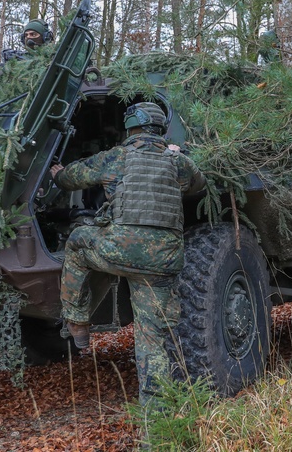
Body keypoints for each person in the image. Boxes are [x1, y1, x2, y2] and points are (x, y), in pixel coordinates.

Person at [50, 101, 205, 407]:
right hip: (162, 262)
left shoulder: (116, 157)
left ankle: (78, 321)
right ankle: (157, 419)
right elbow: (199, 184)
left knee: (79, 241)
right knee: (153, 341)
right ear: (160, 130)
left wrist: (57, 173)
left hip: (119, 252)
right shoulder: (178, 162)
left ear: (130, 127)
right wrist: (177, 155)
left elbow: (72, 178)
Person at [0, 19, 55, 86]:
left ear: (45, 37)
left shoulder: (52, 57)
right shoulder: (17, 58)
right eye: (26, 35)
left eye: (33, 34)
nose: (28, 38)